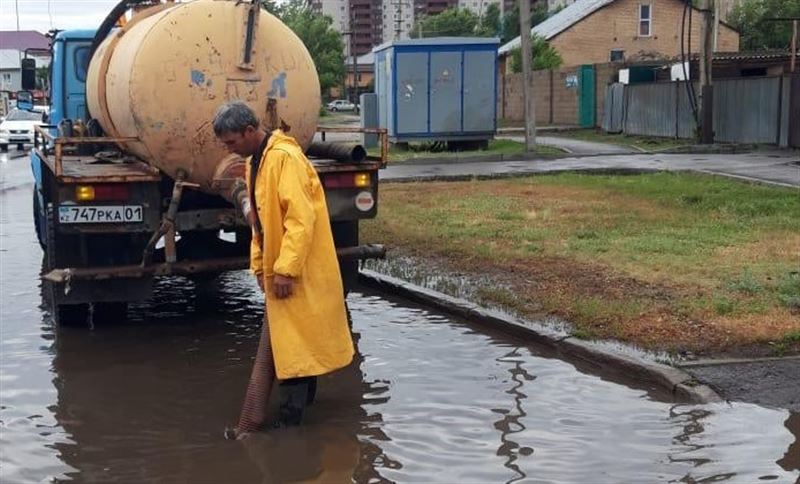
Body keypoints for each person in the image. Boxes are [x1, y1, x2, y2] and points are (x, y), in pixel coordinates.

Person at [212, 101, 354, 437]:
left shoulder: (285, 159)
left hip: (299, 269)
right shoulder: (256, 161)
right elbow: (260, 223)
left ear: (250, 131)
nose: (229, 150)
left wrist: (286, 270)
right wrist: (260, 267)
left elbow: (300, 221)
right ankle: (301, 414)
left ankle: (290, 426)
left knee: (293, 346)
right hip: (281, 267)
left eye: (232, 142)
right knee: (295, 341)